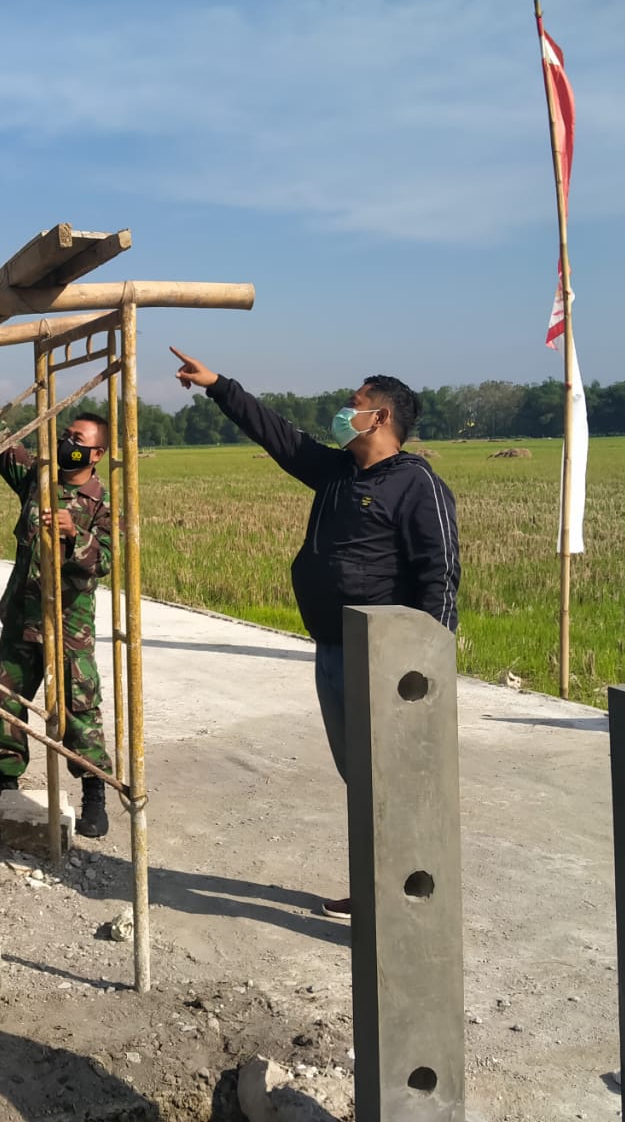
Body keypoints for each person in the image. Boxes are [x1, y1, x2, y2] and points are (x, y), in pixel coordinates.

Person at [170, 347, 460, 918]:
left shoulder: (415, 484)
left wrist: (429, 665)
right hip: (333, 650)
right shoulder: (338, 471)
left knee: (392, 777)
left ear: (380, 418)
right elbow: (278, 435)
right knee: (362, 779)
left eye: (354, 405)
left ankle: (404, 897)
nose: (342, 411)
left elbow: (440, 573)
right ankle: (376, 889)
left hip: (385, 660)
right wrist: (217, 385)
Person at [0, 347, 115, 838]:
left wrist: (76, 534)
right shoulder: (37, 478)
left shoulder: (102, 503)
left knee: (78, 708)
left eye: (80, 440)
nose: (70, 442)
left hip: (69, 622)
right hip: (23, 615)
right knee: (4, 702)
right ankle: (4, 790)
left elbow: (109, 561)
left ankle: (94, 792)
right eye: (67, 434)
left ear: (98, 454)